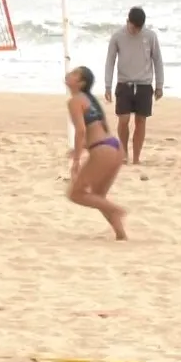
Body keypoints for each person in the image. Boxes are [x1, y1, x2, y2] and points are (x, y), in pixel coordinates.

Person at [64, 66, 128, 240]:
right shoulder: (88, 99)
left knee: (75, 194)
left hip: (102, 149)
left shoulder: (75, 100)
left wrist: (76, 160)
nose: (70, 74)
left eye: (75, 73)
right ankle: (121, 234)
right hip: (115, 146)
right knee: (98, 197)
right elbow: (98, 128)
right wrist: (82, 147)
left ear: (81, 82)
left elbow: (81, 131)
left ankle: (117, 210)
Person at [101, 6, 164, 165]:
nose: (135, 30)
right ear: (127, 21)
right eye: (133, 26)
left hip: (144, 84)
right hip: (124, 84)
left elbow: (157, 60)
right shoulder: (117, 36)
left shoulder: (150, 36)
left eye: (139, 28)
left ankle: (136, 158)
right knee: (123, 119)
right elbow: (110, 61)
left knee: (141, 121)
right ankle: (124, 153)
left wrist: (159, 85)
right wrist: (107, 85)